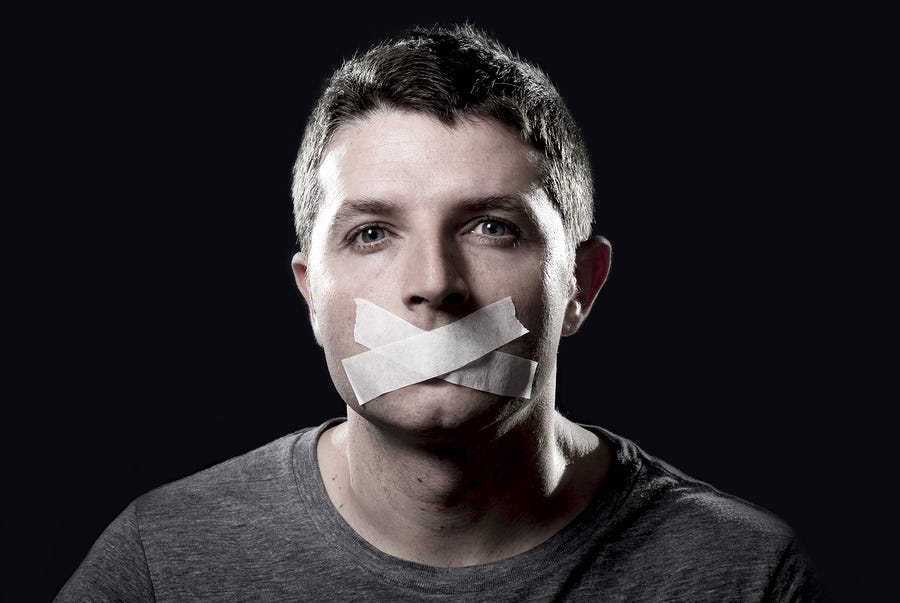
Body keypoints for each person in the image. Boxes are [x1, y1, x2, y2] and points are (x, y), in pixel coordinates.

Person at [56, 24, 823, 601]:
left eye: (491, 226)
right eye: (371, 233)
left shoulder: (740, 574)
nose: (433, 283)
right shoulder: (165, 563)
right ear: (311, 294)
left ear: (580, 284)